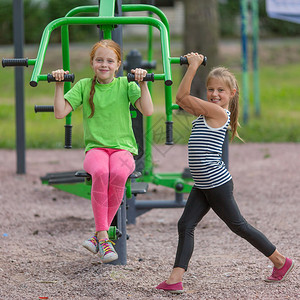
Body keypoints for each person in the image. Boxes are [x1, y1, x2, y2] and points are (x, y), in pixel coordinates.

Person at [156, 52, 294, 294]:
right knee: (185, 224)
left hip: (216, 184)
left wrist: (193, 66)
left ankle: (281, 261)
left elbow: (181, 96)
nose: (214, 94)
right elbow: (183, 101)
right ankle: (174, 279)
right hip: (203, 183)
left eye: (221, 90)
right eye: (210, 89)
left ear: (231, 94)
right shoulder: (206, 112)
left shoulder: (218, 113)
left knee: (238, 225)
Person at [52, 39, 153, 263]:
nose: (104, 65)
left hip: (123, 150)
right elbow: (60, 112)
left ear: (118, 65)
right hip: (96, 149)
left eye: (109, 61)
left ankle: (100, 236)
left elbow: (147, 110)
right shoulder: (84, 86)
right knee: (100, 172)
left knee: (118, 173)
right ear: (92, 63)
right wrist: (59, 84)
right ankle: (104, 237)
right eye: (99, 60)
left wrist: (143, 83)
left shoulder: (126, 86)